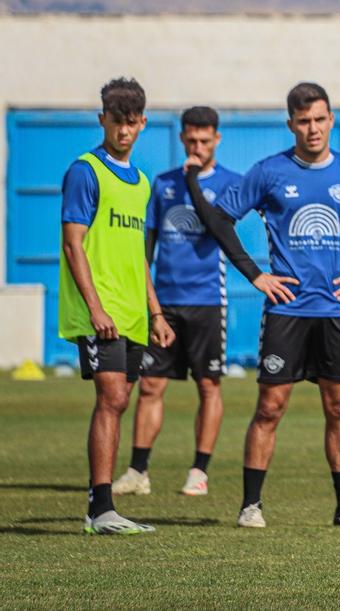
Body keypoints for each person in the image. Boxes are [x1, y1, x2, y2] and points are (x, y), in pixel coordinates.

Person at [186, 82, 340, 528]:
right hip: (287, 311)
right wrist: (256, 275)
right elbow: (221, 220)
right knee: (270, 407)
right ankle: (251, 506)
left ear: (330, 122)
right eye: (303, 121)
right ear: (291, 125)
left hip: (336, 311)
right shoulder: (268, 172)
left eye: (320, 119)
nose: (313, 128)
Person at [59, 77, 176, 535]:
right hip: (100, 312)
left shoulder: (142, 182)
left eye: (131, 123)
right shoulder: (84, 171)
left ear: (142, 123)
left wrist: (156, 312)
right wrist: (95, 308)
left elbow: (137, 258)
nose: (123, 131)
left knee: (121, 399)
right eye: (115, 121)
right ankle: (100, 509)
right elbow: (74, 245)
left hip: (131, 313)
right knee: (110, 397)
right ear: (101, 119)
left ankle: (103, 508)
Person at [112, 106, 242, 498]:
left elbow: (218, 226)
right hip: (164, 304)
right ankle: (138, 471)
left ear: (217, 139)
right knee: (150, 385)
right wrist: (145, 301)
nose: (198, 146)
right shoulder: (162, 185)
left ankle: (198, 471)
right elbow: (146, 248)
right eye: (191, 140)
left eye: (205, 140)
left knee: (208, 385)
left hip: (206, 302)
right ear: (182, 139)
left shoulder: (232, 185)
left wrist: (193, 178)